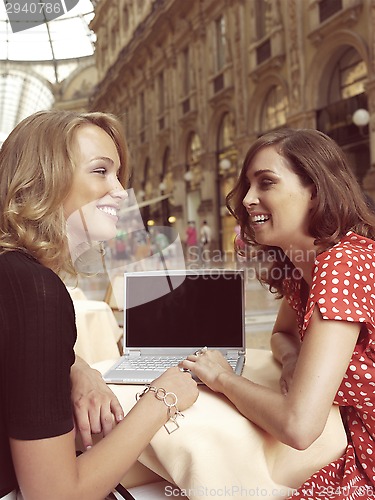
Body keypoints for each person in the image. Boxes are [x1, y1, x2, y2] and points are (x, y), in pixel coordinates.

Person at [0, 110, 198, 500]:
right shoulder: (37, 291)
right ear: (44, 180)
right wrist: (164, 397)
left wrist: (79, 368)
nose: (121, 192)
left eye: (119, 174)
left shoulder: (14, 274)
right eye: (100, 171)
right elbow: (54, 496)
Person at [180, 128, 375, 499]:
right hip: (354, 437)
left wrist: (223, 378)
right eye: (248, 185)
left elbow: (299, 426)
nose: (249, 198)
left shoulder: (342, 266)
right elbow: (280, 334)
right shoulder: (305, 267)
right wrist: (293, 359)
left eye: (266, 182)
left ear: (315, 190)